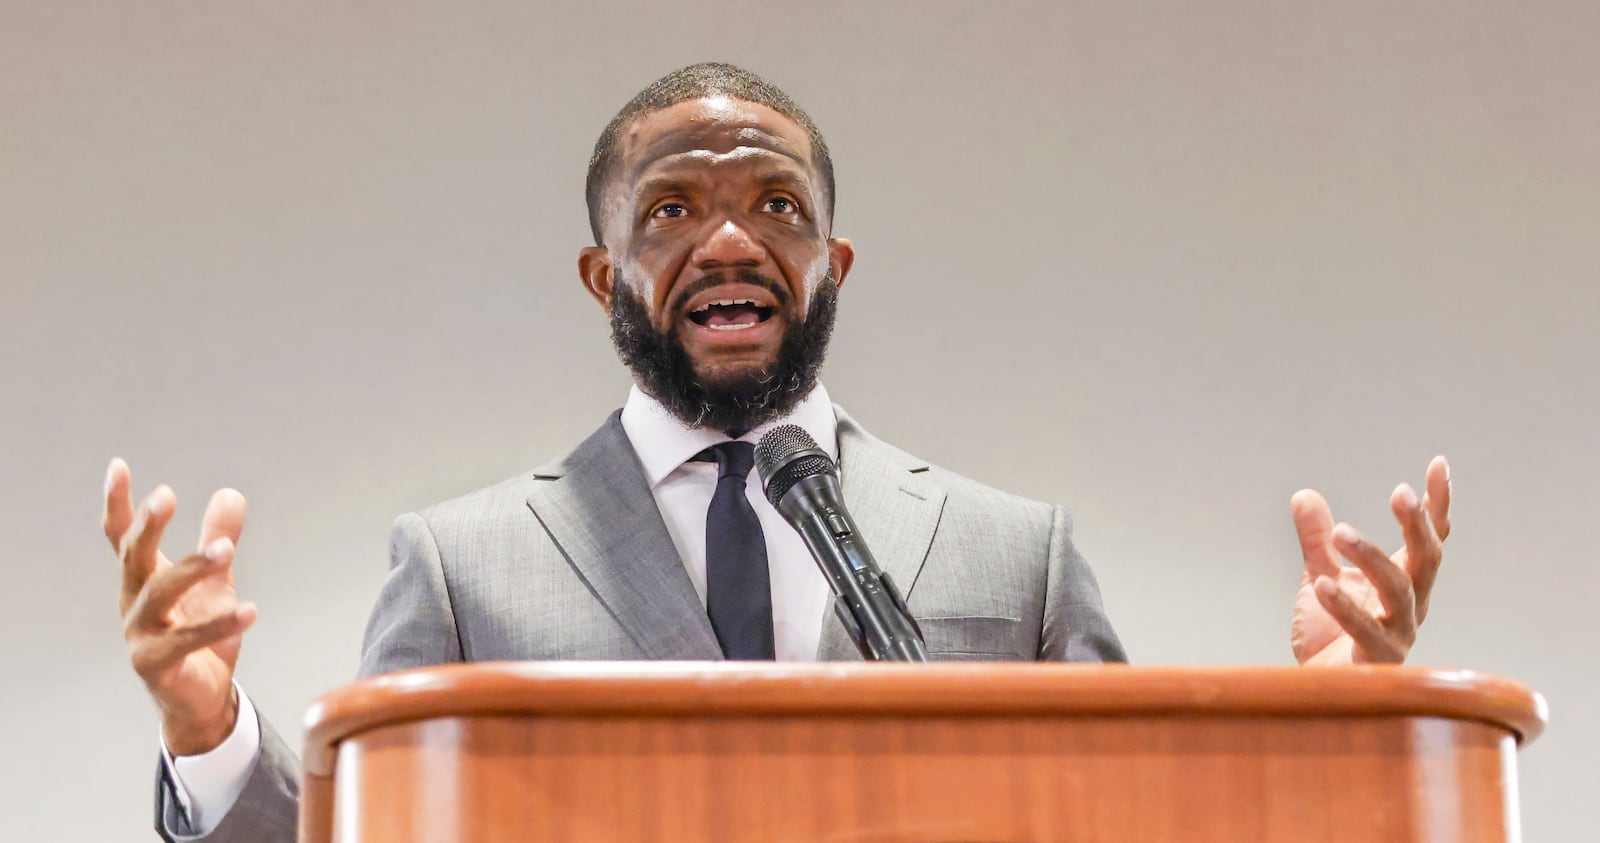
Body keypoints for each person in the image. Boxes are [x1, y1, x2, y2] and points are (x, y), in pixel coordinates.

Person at [104, 63, 1451, 842]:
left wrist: (1342, 729)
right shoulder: (459, 565)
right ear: (605, 274)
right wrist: (209, 733)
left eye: (777, 206)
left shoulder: (1017, 554)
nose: (731, 239)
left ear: (832, 263)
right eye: (673, 208)